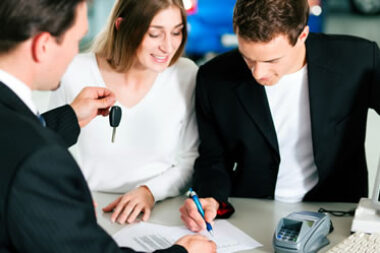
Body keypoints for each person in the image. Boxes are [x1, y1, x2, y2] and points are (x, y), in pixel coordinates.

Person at [0, 0, 216, 252]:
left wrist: (70, 116)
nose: (78, 53)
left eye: (177, 32)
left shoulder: (15, 123)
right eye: (76, 41)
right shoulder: (39, 161)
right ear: (43, 46)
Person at [180, 0, 380, 233]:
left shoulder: (358, 60)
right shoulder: (214, 78)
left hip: (338, 209)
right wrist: (210, 198)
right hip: (251, 209)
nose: (258, 73)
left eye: (272, 60)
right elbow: (213, 158)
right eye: (248, 58)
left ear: (303, 35)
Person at [49, 0, 199, 225]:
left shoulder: (186, 74)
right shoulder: (74, 71)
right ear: (122, 26)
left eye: (176, 32)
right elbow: (49, 149)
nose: (168, 47)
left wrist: (150, 191)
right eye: (154, 34)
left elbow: (192, 159)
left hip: (159, 210)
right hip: (88, 206)